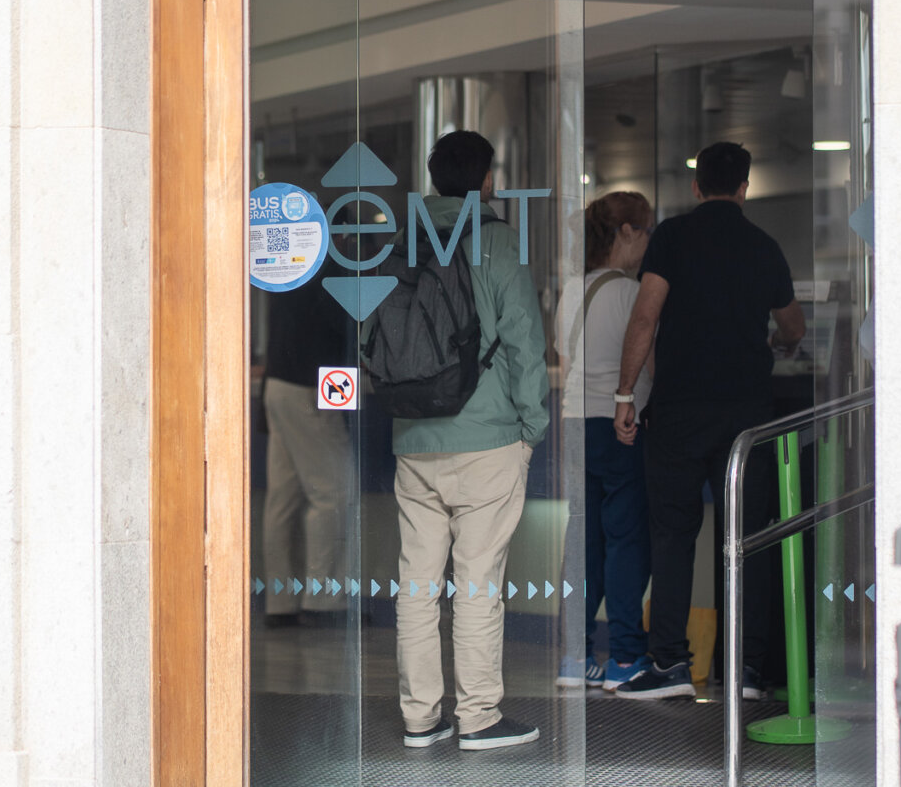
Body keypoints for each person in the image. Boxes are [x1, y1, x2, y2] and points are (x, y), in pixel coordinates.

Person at [612, 142, 805, 699]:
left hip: (676, 411)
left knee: (671, 536)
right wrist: (775, 339)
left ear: (697, 187)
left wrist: (626, 395)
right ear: (745, 187)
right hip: (746, 416)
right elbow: (792, 327)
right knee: (745, 539)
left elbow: (645, 315)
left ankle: (669, 666)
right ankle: (741, 671)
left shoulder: (672, 236)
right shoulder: (764, 246)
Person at [383, 131, 549, 749]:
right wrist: (532, 424)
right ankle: (478, 717)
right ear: (485, 180)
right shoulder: (496, 239)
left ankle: (419, 717)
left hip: (414, 437)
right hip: (487, 438)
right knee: (478, 581)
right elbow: (523, 339)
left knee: (418, 584)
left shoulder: (405, 239)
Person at [554, 192, 654, 691]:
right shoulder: (633, 293)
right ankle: (626, 657)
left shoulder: (574, 289)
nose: (648, 243)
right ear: (628, 233)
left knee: (584, 540)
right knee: (624, 541)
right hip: (620, 426)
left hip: (574, 422)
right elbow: (646, 366)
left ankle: (574, 656)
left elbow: (567, 364)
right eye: (647, 231)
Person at [259, 265, 352, 627]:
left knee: (283, 499)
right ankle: (324, 599)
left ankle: (279, 602)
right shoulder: (331, 269)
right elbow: (341, 326)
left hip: (279, 382)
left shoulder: (291, 265)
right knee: (334, 491)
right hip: (312, 386)